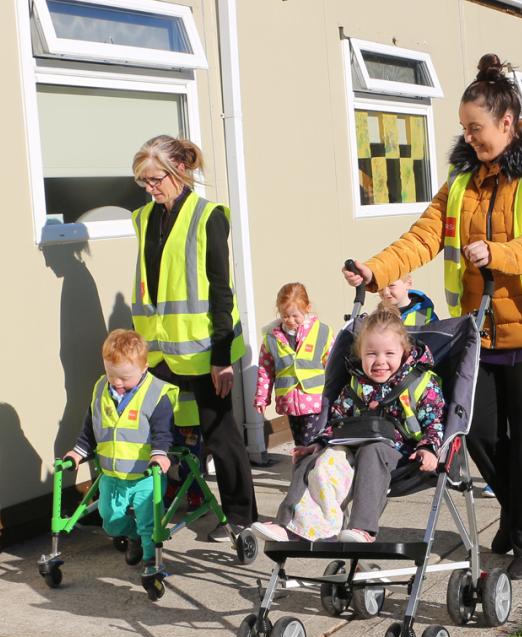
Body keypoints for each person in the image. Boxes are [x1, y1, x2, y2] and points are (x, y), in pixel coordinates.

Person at [343, 54, 522, 580]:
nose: (470, 139)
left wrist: (498, 253)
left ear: (507, 122)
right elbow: (424, 237)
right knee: (479, 433)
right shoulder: (460, 181)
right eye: (464, 131)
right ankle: (519, 514)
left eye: (477, 129)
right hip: (480, 332)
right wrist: (374, 270)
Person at [130, 135, 257, 541]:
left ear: (179, 171)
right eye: (144, 182)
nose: (150, 189)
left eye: (155, 180)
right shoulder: (143, 219)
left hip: (204, 350)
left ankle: (241, 516)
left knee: (221, 436)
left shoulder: (209, 216)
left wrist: (222, 356)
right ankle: (179, 501)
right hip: (159, 350)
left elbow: (221, 290)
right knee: (166, 433)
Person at [251, 306, 445, 543]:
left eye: (389, 354)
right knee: (314, 461)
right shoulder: (355, 385)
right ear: (360, 354)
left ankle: (362, 528)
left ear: (404, 353)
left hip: (401, 454)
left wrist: (428, 448)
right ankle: (293, 525)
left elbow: (434, 423)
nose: (380, 362)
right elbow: (337, 419)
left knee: (373, 450)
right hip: (352, 449)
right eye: (371, 354)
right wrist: (320, 443)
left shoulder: (420, 384)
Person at [63, 330, 174, 572]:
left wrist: (160, 453)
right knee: (110, 520)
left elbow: (163, 432)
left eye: (124, 377)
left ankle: (150, 561)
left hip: (146, 476)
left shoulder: (155, 395)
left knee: (149, 523)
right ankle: (131, 535)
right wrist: (78, 452)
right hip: (112, 475)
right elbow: (91, 427)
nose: (116, 382)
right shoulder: (102, 390)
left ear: (144, 368)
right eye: (111, 374)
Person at [254, 282, 334, 446]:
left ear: (307, 308)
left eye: (295, 315)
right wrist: (262, 398)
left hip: (315, 400)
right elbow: (265, 370)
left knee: (311, 442)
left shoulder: (322, 332)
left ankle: (310, 469)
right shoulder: (272, 338)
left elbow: (332, 363)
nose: (290, 320)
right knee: (299, 443)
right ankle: (301, 469)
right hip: (289, 401)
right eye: (285, 315)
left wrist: (337, 394)